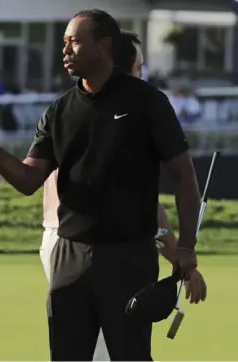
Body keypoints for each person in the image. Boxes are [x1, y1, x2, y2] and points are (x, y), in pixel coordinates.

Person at [0, 10, 201, 361]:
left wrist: (186, 248)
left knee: (130, 356)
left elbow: (184, 177)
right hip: (69, 257)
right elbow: (29, 179)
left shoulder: (146, 101)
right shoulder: (58, 111)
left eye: (74, 41)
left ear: (103, 45)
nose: (66, 50)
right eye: (64, 43)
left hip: (128, 256)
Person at [40, 30, 207, 361]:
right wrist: (180, 255)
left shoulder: (89, 109)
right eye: (138, 68)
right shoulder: (96, 112)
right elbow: (140, 207)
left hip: (66, 244)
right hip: (86, 249)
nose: (142, 76)